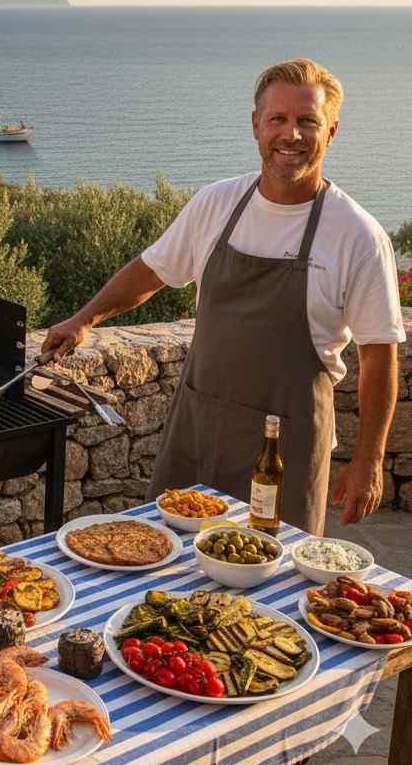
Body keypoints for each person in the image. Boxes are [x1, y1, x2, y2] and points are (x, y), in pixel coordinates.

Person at [42, 58, 405, 535]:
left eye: (306, 121)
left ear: (330, 131)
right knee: (166, 562)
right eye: (278, 119)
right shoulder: (216, 203)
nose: (290, 134)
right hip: (199, 430)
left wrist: (370, 460)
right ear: (256, 124)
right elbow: (151, 271)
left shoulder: (357, 235)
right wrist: (85, 318)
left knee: (271, 583)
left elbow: (380, 357)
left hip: (286, 445)